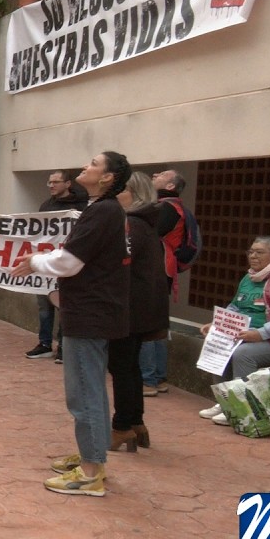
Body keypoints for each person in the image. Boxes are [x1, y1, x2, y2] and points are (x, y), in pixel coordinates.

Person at [11, 151, 131, 497]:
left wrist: (35, 261)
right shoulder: (102, 210)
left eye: (94, 164)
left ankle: (91, 472)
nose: (86, 166)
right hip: (91, 311)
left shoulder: (104, 212)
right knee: (87, 387)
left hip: (90, 315)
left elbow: (70, 261)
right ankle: (91, 456)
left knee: (84, 391)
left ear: (108, 177)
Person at [197, 236, 270, 426]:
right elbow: (236, 307)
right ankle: (225, 402)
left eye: (259, 252)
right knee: (217, 343)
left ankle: (242, 408)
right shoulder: (250, 276)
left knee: (243, 354)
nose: (253, 256)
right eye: (250, 251)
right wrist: (218, 324)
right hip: (249, 333)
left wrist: (261, 334)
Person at [106, 172, 169, 451]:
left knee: (121, 366)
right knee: (129, 366)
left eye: (120, 189)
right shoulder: (146, 222)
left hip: (130, 307)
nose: (115, 193)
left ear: (133, 192)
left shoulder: (131, 224)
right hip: (143, 307)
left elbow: (122, 263)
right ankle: (135, 423)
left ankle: (121, 426)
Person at [27, 169, 88, 361]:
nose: (51, 185)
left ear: (68, 184)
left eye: (56, 182)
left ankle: (63, 346)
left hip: (66, 265)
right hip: (46, 264)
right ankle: (44, 343)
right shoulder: (46, 205)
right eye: (49, 182)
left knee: (64, 306)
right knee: (44, 307)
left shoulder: (82, 206)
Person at [139, 168, 188, 394]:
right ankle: (158, 378)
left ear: (170, 186)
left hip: (155, 269)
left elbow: (150, 233)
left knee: (147, 324)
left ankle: (148, 379)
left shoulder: (166, 208)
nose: (155, 175)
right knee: (156, 324)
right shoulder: (170, 206)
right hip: (161, 270)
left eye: (161, 175)